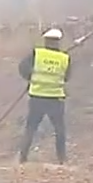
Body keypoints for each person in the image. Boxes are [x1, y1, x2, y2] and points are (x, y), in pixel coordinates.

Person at [17, 28, 72, 164]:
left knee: (30, 128)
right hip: (56, 99)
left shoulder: (37, 54)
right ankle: (62, 159)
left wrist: (31, 77)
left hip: (37, 97)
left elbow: (22, 68)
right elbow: (67, 77)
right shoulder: (64, 58)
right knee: (59, 130)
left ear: (45, 41)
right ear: (58, 42)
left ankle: (22, 158)